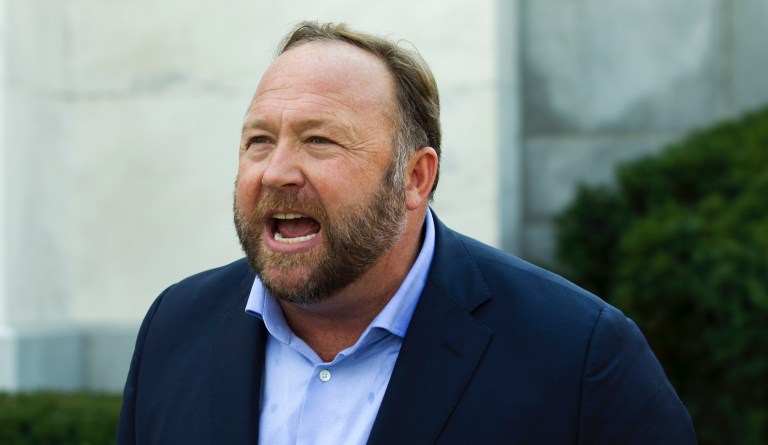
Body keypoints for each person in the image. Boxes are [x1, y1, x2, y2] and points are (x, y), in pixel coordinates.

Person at [117, 21, 697, 445]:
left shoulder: (580, 356)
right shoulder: (174, 329)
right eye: (258, 141)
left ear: (415, 178)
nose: (276, 171)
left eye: (320, 140)